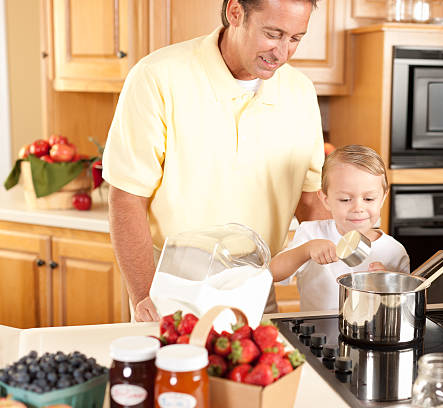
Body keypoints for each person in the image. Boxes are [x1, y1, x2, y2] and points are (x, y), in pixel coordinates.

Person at [102, 0, 328, 322]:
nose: (282, 52)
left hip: (258, 280)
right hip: (174, 283)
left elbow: (309, 202)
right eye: (273, 34)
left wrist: (350, 262)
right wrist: (144, 294)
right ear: (236, 12)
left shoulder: (300, 91)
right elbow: (126, 197)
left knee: (253, 371)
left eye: (295, 38)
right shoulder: (157, 77)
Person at [270, 145, 411, 311]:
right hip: (316, 333)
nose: (358, 208)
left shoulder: (394, 251)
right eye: (345, 199)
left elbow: (404, 307)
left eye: (369, 199)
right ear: (326, 199)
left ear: (382, 198)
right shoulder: (311, 233)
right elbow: (273, 273)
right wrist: (306, 250)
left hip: (371, 334)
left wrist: (388, 285)